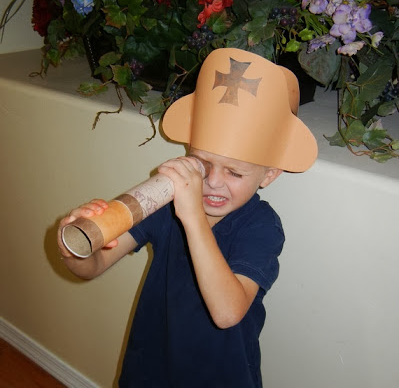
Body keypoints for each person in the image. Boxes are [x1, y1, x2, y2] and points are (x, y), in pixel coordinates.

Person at [57, 48, 317, 387]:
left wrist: (192, 214)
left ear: (268, 175)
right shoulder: (166, 206)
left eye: (235, 173)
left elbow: (227, 313)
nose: (212, 182)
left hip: (222, 377)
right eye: (203, 164)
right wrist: (74, 247)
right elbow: (93, 268)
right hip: (150, 370)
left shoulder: (261, 227)